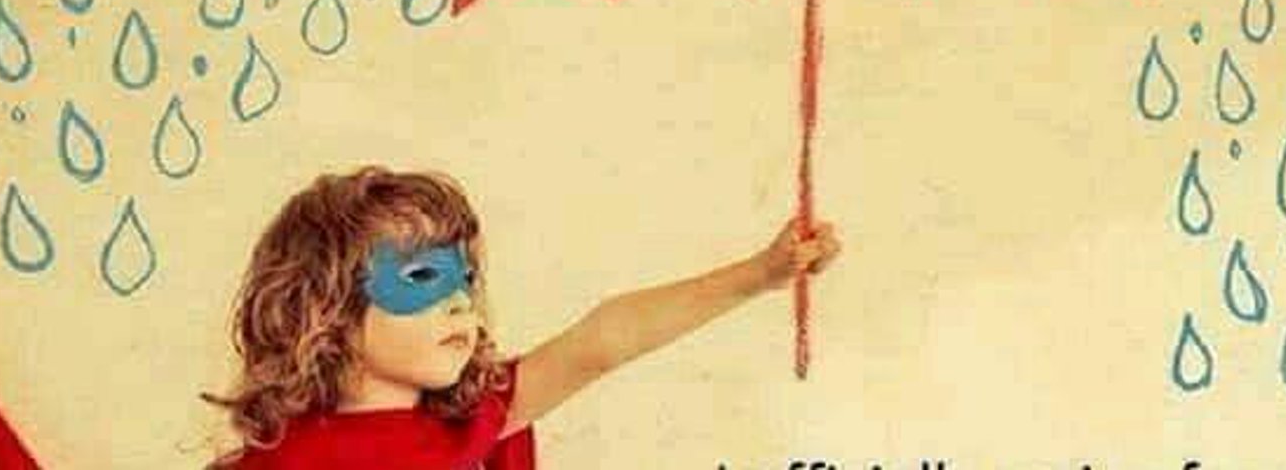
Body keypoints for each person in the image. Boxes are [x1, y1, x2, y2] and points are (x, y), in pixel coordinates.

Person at [202, 165, 842, 469]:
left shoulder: (468, 418)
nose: (460, 302)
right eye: (421, 278)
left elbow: (602, 342)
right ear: (326, 310)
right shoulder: (283, 465)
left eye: (465, 280)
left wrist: (760, 274)